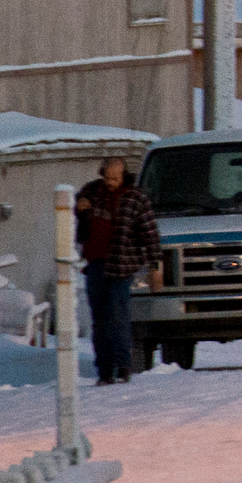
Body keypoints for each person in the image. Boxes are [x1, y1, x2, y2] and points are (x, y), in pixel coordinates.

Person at [73, 157, 162, 385]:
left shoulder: (135, 199)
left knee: (118, 316)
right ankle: (104, 369)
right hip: (95, 264)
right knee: (99, 319)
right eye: (107, 177)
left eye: (115, 178)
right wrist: (80, 204)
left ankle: (123, 366)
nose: (111, 182)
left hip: (122, 266)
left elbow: (150, 236)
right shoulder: (94, 191)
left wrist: (155, 267)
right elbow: (78, 202)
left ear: (124, 176)